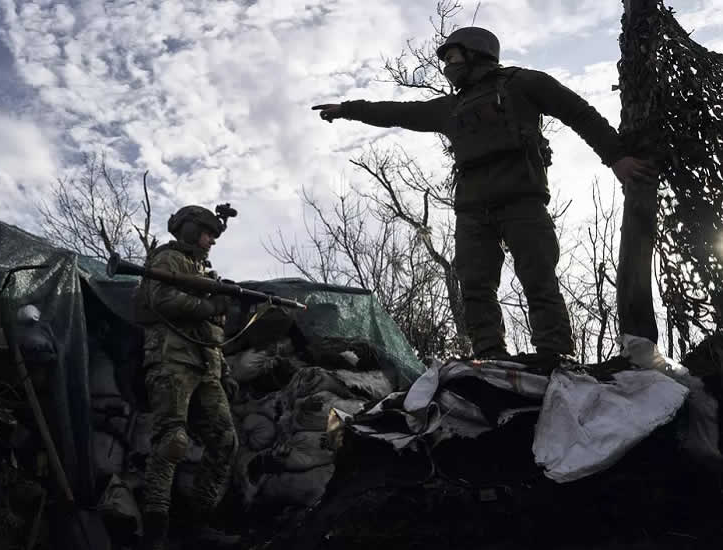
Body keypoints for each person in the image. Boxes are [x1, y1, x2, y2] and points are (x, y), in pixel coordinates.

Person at [312, 26, 656, 360]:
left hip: (522, 201)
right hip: (472, 212)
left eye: (454, 56)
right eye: (446, 60)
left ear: (477, 53)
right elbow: (396, 113)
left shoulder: (523, 83)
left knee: (538, 279)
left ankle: (555, 354)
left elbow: (578, 112)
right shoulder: (449, 108)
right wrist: (348, 109)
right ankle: (489, 355)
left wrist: (616, 157)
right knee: (475, 286)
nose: (449, 66)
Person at [135, 205, 241, 550]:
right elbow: (161, 299)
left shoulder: (203, 271)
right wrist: (211, 306)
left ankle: (197, 523)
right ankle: (155, 533)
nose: (211, 241)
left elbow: (211, 330)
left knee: (225, 441)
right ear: (190, 229)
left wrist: (223, 368)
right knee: (172, 441)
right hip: (172, 360)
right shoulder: (167, 260)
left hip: (206, 365)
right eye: (207, 233)